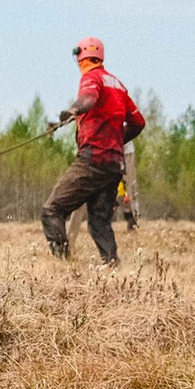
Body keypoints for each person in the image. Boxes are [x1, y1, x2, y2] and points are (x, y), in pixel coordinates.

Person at [42, 37, 146, 264]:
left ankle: (62, 266)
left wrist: (72, 110)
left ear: (81, 57)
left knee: (52, 209)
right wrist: (117, 141)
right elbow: (138, 122)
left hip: (93, 160)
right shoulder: (118, 84)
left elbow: (89, 97)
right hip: (113, 164)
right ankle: (113, 267)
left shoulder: (91, 77)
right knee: (99, 221)